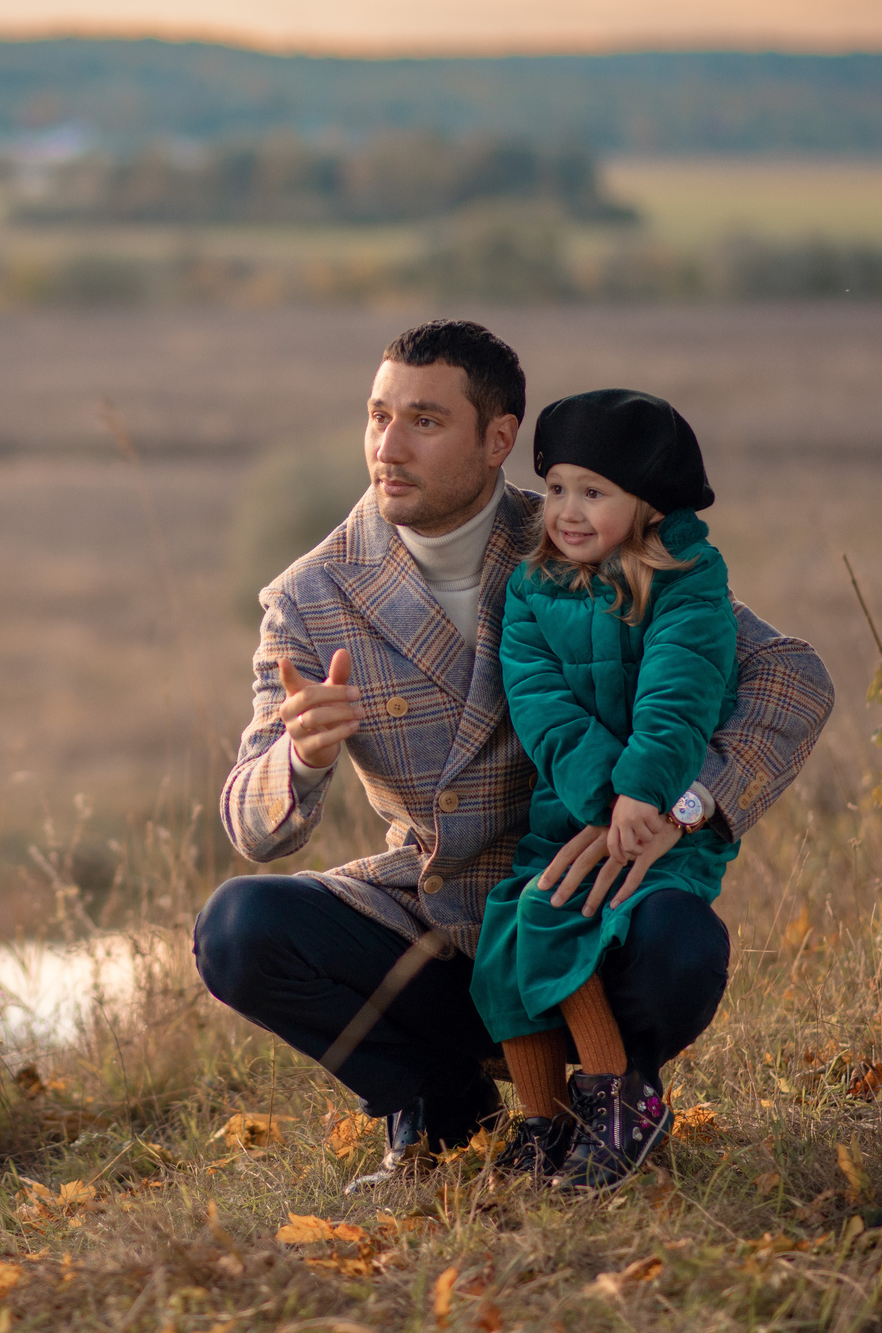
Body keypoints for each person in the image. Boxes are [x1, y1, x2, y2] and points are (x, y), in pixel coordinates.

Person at [192, 320, 832, 1189]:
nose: (387, 444)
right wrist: (299, 758)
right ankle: (442, 1106)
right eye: (377, 415)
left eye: (424, 420)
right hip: (435, 913)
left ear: (499, 439)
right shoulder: (313, 595)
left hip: (597, 891)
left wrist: (681, 812)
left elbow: (790, 676)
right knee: (237, 928)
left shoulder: (578, 529)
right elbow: (252, 823)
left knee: (681, 938)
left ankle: (616, 1098)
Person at [470, 388, 736, 1190]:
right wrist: (596, 794)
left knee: (553, 914)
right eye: (555, 489)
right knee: (504, 941)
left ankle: (619, 1103)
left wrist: (638, 793)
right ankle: (546, 1121)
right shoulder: (531, 589)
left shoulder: (686, 579)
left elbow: (679, 694)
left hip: (655, 825)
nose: (567, 511)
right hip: (572, 815)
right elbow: (541, 703)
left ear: (648, 502)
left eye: (594, 492)